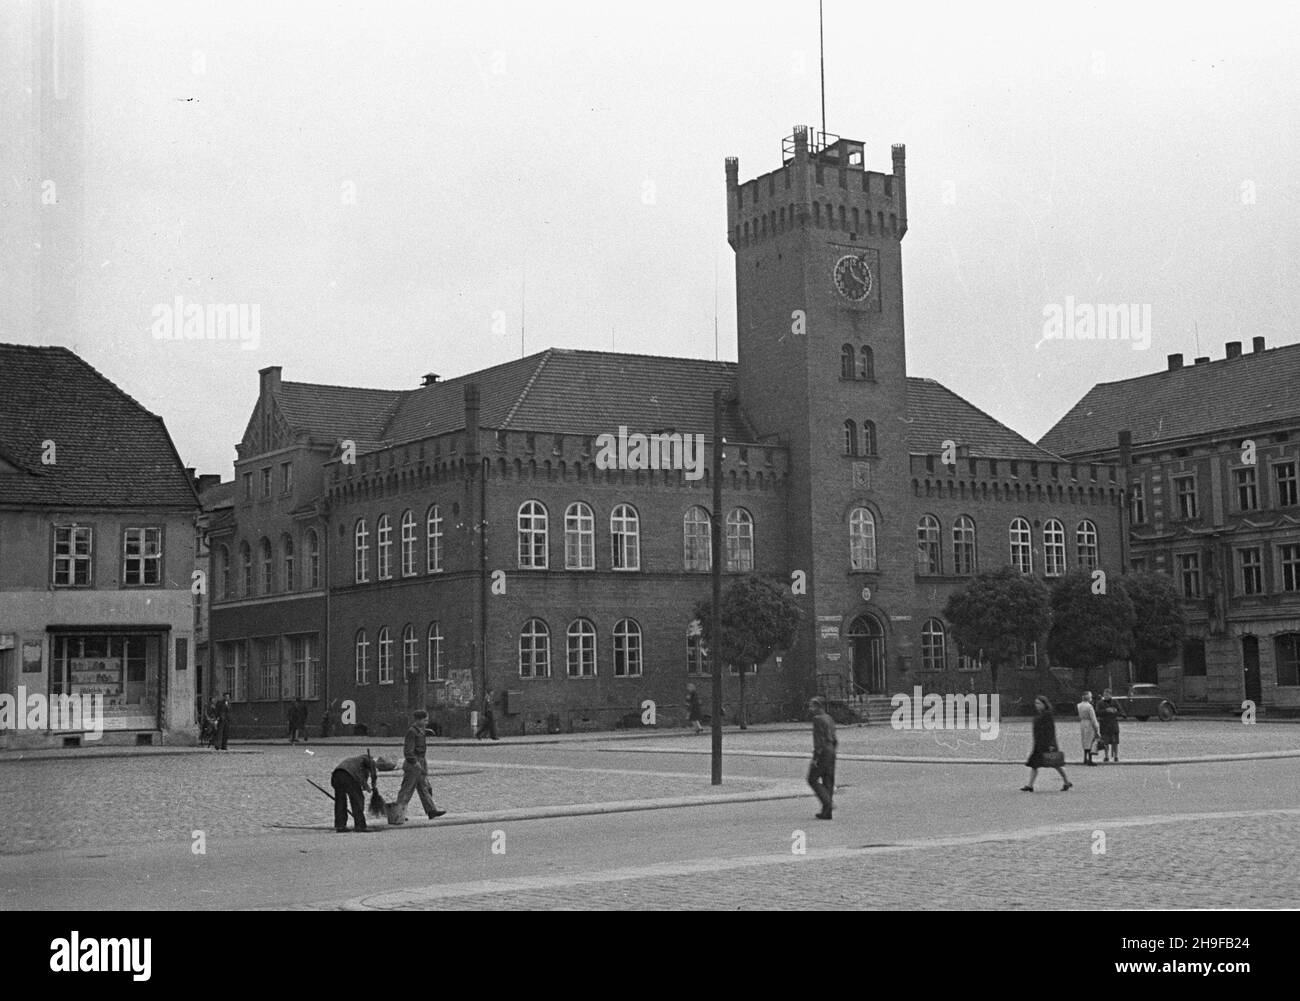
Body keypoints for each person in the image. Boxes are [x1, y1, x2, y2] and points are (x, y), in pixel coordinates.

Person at [391, 709, 446, 824]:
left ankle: (431, 810)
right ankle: (398, 813)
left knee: (424, 787)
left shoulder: (421, 731)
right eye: (425, 720)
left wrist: (423, 765)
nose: (427, 722)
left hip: (420, 762)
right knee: (407, 789)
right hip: (413, 764)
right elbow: (408, 751)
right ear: (418, 720)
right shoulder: (412, 732)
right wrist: (415, 763)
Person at [1022, 695, 1071, 792]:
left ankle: (1066, 782)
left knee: (1056, 764)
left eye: (1039, 703)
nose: (1037, 705)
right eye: (1036, 703)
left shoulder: (1048, 715)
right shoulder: (1040, 714)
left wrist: (1051, 745)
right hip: (1039, 744)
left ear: (1044, 704)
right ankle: (1030, 785)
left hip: (1046, 744)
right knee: (1034, 764)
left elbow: (1051, 731)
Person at [330, 751, 378, 833]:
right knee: (357, 800)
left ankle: (340, 826)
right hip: (348, 776)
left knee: (340, 802)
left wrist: (367, 785)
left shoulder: (355, 761)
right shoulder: (368, 760)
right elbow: (369, 775)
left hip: (336, 776)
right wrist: (372, 785)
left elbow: (363, 779)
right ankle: (360, 826)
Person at [807, 697, 837, 820]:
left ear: (819, 706)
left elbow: (818, 741)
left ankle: (827, 802)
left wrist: (816, 758)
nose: (810, 709)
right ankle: (827, 812)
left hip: (823, 751)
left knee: (812, 779)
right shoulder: (829, 718)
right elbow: (834, 738)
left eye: (812, 706)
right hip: (831, 750)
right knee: (828, 780)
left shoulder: (817, 719)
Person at [1097, 688, 1125, 762]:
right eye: (1104, 695)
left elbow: (1121, 711)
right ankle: (1106, 756)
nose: (1105, 696)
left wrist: (1115, 711)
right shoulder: (1100, 703)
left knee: (1115, 742)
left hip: (1113, 724)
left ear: (1110, 695)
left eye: (1107, 695)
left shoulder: (1115, 702)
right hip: (1104, 725)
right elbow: (1097, 712)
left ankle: (1116, 756)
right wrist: (1106, 710)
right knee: (1105, 742)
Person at [1077, 691, 1101, 766]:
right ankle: (1090, 759)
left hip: (1082, 723)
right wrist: (1097, 728)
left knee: (1084, 741)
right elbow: (1093, 719)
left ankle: (1085, 758)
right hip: (1089, 724)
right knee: (1090, 741)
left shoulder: (1079, 705)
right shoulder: (1089, 706)